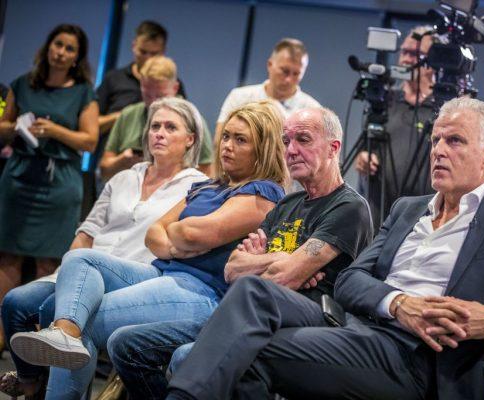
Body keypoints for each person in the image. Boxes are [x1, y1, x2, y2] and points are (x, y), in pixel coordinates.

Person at [166, 97, 484, 400]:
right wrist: (398, 303)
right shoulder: (409, 208)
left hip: (422, 361)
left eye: (454, 142)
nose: (438, 152)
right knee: (251, 308)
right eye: (435, 141)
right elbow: (353, 280)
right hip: (363, 331)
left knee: (246, 350)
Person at [10, 100, 288, 400]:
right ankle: (65, 333)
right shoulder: (208, 187)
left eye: (241, 140)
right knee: (80, 260)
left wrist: (178, 236)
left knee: (73, 316)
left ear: (261, 148)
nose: (227, 146)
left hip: (201, 292)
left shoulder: (263, 191)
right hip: (160, 271)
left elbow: (192, 231)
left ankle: (63, 342)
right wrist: (178, 245)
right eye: (226, 136)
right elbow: (154, 233)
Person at [106, 107, 373, 400]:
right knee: (125, 343)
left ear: (333, 147)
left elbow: (285, 276)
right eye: (286, 141)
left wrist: (266, 264)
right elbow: (232, 270)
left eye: (303, 140)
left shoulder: (348, 207)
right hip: (243, 314)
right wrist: (281, 260)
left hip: (303, 322)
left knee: (186, 356)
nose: (292, 150)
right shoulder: (287, 204)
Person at [0, 97, 206, 399]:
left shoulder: (196, 186)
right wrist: (63, 273)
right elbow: (87, 232)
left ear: (190, 139)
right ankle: (33, 382)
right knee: (15, 302)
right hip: (83, 268)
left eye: (170, 127)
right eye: (155, 126)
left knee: (50, 310)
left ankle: (51, 388)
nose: (159, 133)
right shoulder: (124, 177)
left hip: (132, 279)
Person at [0, 24, 98, 336]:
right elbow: (2, 126)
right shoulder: (23, 84)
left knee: (48, 264)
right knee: (8, 257)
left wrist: (54, 131)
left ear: (77, 58)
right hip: (20, 176)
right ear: (48, 46)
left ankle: (39, 336)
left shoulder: (84, 92)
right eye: (58, 44)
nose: (62, 52)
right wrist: (17, 127)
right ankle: (2, 333)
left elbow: (90, 141)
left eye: (70, 49)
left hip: (60, 184)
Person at [355, 25, 438, 226]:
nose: (406, 59)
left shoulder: (441, 110)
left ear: (433, 61)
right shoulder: (385, 100)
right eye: (404, 52)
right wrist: (364, 158)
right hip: (377, 214)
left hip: (422, 219)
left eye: (415, 53)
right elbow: (365, 149)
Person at [100, 56, 212, 180]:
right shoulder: (128, 114)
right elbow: (104, 171)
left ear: (175, 88)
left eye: (160, 96)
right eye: (147, 94)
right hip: (127, 191)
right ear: (141, 85)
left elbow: (207, 174)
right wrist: (122, 161)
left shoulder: (194, 119)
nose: (153, 102)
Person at [215, 38, 320, 137]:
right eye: (284, 71)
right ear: (270, 65)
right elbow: (219, 141)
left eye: (296, 74)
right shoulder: (239, 97)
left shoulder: (313, 111)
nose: (289, 79)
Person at [96, 20, 185, 135]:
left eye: (154, 54)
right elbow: (90, 127)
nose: (147, 58)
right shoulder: (113, 78)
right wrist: (124, 116)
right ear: (134, 46)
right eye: (143, 52)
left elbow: (184, 127)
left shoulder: (171, 83)